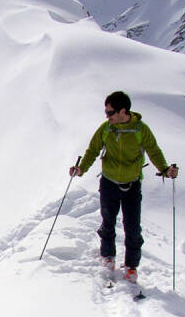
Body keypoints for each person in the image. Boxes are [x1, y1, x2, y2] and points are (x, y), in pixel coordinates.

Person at [70, 91, 178, 282]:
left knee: (133, 227)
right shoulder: (105, 129)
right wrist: (81, 169)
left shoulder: (140, 130)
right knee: (108, 220)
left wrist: (165, 169)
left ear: (123, 111)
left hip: (132, 185)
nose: (107, 116)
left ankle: (131, 266)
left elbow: (153, 150)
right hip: (109, 182)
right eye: (106, 112)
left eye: (110, 113)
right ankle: (108, 255)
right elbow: (93, 150)